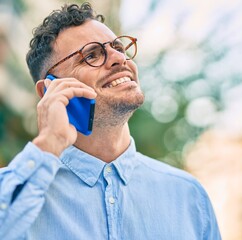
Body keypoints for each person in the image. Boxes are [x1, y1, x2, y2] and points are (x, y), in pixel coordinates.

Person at [0, 3, 221, 240]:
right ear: (50, 90)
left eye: (118, 47)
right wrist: (49, 142)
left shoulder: (188, 195)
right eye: (91, 55)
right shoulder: (18, 192)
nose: (118, 58)